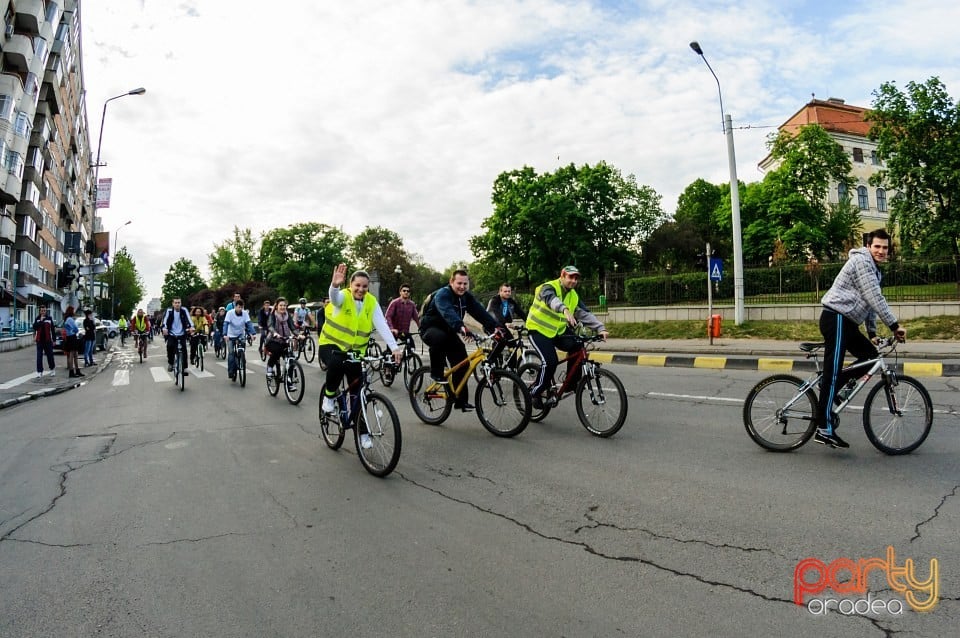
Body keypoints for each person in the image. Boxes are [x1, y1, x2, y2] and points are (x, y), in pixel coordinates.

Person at [815, 228, 906, 449]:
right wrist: (894, 325)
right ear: (868, 246)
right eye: (877, 246)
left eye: (885, 248)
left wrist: (873, 333)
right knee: (832, 372)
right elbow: (874, 297)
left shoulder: (875, 271)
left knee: (870, 356)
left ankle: (832, 386)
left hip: (847, 322)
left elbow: (870, 304)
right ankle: (823, 429)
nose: (881, 251)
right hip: (836, 318)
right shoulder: (862, 262)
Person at [318, 265, 401, 448]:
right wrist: (334, 285)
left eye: (364, 286)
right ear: (350, 284)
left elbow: (381, 325)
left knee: (358, 396)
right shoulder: (343, 297)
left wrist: (394, 348)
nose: (361, 289)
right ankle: (329, 397)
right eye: (357, 285)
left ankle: (363, 433)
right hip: (330, 346)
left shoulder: (371, 302)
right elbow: (334, 297)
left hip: (355, 353)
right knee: (337, 363)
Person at [526, 266, 608, 410]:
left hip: (558, 331)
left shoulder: (573, 296)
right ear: (562, 276)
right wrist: (564, 309)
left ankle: (571, 384)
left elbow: (584, 314)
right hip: (538, 330)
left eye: (576, 278)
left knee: (578, 345)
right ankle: (534, 392)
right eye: (570, 277)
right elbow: (551, 300)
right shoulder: (547, 287)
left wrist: (600, 328)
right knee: (550, 362)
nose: (573, 281)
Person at [419, 269, 501, 412]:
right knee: (440, 338)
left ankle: (460, 401)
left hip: (450, 331)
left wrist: (496, 327)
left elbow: (480, 312)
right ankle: (436, 373)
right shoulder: (443, 294)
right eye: (459, 283)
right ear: (451, 282)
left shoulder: (466, 297)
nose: (462, 287)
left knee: (463, 364)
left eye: (465, 283)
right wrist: (461, 327)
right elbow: (447, 312)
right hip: (430, 329)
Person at [222, 299, 256, 381]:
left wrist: (253, 333)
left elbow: (249, 324)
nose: (240, 309)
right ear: (235, 307)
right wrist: (225, 334)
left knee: (242, 350)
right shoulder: (230, 313)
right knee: (231, 353)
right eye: (238, 307)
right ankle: (231, 371)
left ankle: (241, 361)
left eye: (242, 307)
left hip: (240, 334)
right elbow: (226, 324)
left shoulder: (245, 313)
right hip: (231, 335)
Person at [161, 298, 194, 375]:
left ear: (181, 303)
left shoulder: (184, 310)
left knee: (184, 350)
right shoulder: (169, 311)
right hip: (171, 334)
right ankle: (171, 363)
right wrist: (164, 328)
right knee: (170, 346)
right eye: (175, 303)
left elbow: (189, 319)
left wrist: (191, 327)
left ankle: (185, 368)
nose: (177, 304)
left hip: (182, 333)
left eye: (179, 302)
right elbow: (165, 320)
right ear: (173, 304)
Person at [264, 297, 295, 376]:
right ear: (276, 306)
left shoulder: (287, 315)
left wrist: (298, 335)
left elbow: (292, 327)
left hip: (285, 340)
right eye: (281, 305)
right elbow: (270, 326)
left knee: (291, 359)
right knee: (277, 351)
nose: (283, 307)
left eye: (284, 305)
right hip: (273, 340)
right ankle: (270, 368)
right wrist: (275, 333)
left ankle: (289, 382)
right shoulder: (273, 315)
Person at [32, 304, 56, 378]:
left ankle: (52, 369)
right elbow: (35, 327)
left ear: (46, 311)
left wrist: (54, 340)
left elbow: (52, 330)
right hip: (39, 340)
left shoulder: (49, 318)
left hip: (48, 340)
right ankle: (39, 371)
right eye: (42, 311)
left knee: (50, 356)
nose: (43, 312)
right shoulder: (38, 318)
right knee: (39, 357)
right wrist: (41, 321)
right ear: (40, 311)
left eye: (44, 310)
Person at [62, 306, 83, 378]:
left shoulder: (67, 319)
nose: (74, 312)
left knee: (75, 354)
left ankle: (76, 370)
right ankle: (72, 371)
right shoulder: (70, 319)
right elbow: (76, 329)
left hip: (69, 337)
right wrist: (75, 331)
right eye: (73, 311)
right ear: (71, 311)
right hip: (72, 337)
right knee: (72, 355)